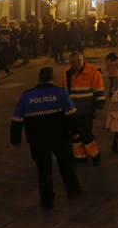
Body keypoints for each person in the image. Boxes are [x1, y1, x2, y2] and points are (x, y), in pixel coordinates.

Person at [10, 67, 81, 210]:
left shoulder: (26, 96)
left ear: (39, 79)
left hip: (38, 141)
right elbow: (71, 116)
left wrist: (16, 140)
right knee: (66, 166)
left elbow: (16, 120)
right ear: (52, 78)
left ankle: (47, 201)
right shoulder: (61, 93)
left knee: (44, 171)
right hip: (60, 138)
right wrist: (75, 132)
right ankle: (73, 191)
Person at [61, 51, 106, 166]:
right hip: (72, 111)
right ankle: (80, 156)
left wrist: (98, 108)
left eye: (78, 61)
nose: (76, 63)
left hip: (86, 111)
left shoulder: (94, 72)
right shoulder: (66, 74)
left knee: (86, 135)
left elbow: (99, 91)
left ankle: (95, 155)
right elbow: (64, 93)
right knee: (75, 135)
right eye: (72, 62)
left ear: (83, 60)